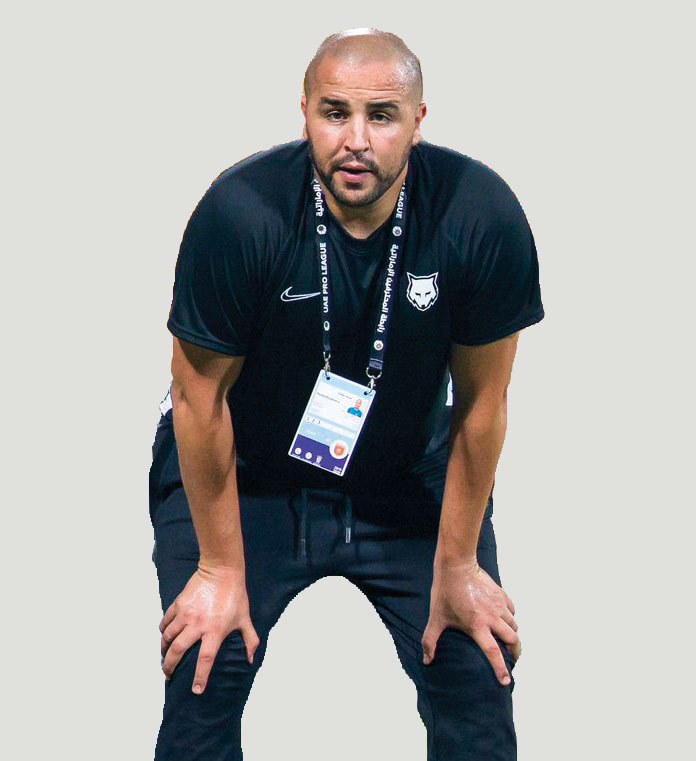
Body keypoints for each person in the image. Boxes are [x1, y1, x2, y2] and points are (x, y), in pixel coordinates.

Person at [148, 28, 544, 760]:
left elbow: (482, 403)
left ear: (418, 121)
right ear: (304, 112)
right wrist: (220, 569)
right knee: (205, 667)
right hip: (247, 476)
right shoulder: (241, 215)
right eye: (335, 113)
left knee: (476, 674)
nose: (356, 140)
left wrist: (458, 566)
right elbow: (197, 400)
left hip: (406, 475)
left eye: (381, 115)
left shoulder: (478, 215)